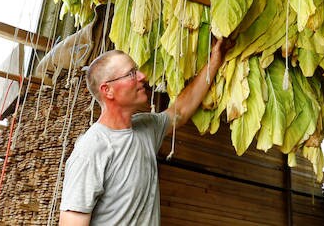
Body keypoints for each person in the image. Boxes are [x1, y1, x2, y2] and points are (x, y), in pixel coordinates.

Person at [58, 37, 231, 226]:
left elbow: (180, 111)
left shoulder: (147, 128)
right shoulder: (91, 150)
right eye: (131, 73)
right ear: (108, 91)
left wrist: (216, 58)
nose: (142, 76)